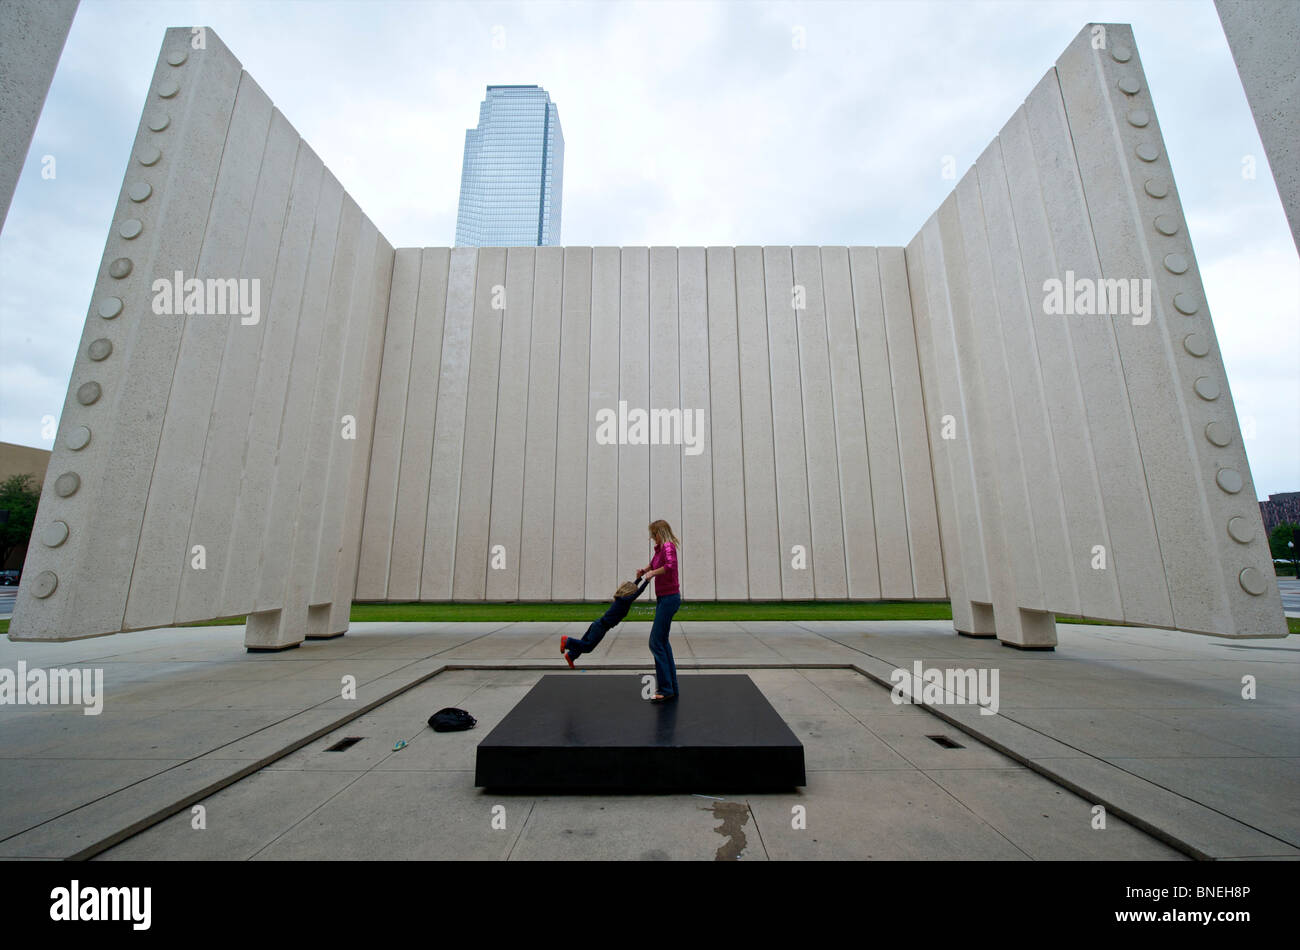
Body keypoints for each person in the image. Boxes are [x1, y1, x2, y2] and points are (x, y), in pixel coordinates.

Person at [561, 576, 650, 669]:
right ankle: (567, 641)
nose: (633, 595)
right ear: (630, 593)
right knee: (588, 647)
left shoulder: (622, 599)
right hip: (601, 627)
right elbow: (638, 593)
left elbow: (632, 590)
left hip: (599, 624)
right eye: (632, 592)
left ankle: (571, 656)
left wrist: (639, 579)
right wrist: (646, 581)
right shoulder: (625, 601)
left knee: (583, 643)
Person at [637, 520, 681, 703]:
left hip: (670, 599)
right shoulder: (660, 550)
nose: (652, 538)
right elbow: (654, 564)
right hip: (664, 599)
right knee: (662, 641)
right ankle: (671, 686)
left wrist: (652, 574)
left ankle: (665, 688)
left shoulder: (668, 547)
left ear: (659, 533)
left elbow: (669, 566)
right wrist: (644, 570)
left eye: (653, 534)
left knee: (655, 642)